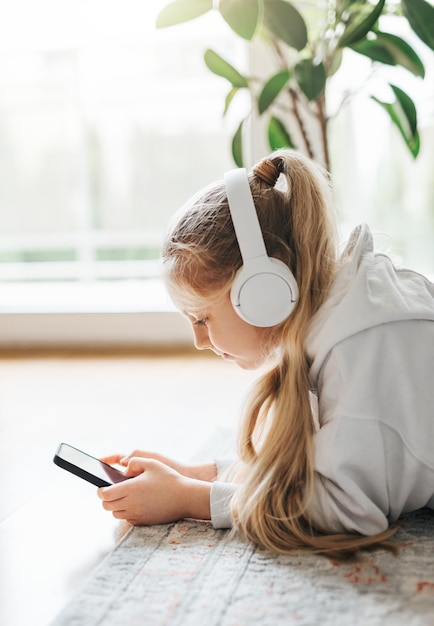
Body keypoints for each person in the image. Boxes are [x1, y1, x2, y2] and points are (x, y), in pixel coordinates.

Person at [98, 150, 434, 556]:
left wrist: (191, 498)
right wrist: (194, 474)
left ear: (262, 290)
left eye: (202, 318)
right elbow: (313, 469)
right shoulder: (348, 307)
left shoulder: (356, 351)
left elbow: (345, 508)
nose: (199, 341)